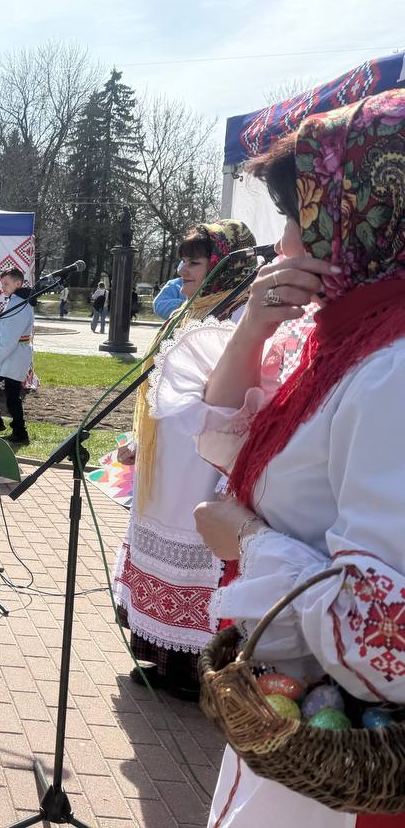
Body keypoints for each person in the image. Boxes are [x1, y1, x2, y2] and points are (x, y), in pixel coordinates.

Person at [188, 91, 405, 827]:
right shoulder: (350, 336)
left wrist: (248, 542)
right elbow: (223, 435)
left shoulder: (392, 369)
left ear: (367, 214)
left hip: (344, 751)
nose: (283, 243)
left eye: (297, 216)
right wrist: (251, 327)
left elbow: (388, 646)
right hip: (297, 704)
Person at [111, 220, 256, 702]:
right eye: (184, 260)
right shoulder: (189, 315)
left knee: (197, 557)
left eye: (193, 262)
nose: (181, 270)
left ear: (222, 265)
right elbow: (157, 388)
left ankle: (197, 672)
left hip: (202, 470)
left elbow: (237, 409)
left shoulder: (242, 322)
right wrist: (135, 437)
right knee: (158, 549)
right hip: (165, 468)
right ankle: (160, 657)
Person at [0, 267, 35, 445]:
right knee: (5, 392)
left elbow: (8, 339)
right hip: (14, 354)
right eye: (2, 284)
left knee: (8, 393)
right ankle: (3, 426)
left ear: (18, 283)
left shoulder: (18, 304)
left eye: (6, 284)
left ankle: (11, 429)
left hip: (13, 354)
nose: (2, 287)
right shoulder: (17, 301)